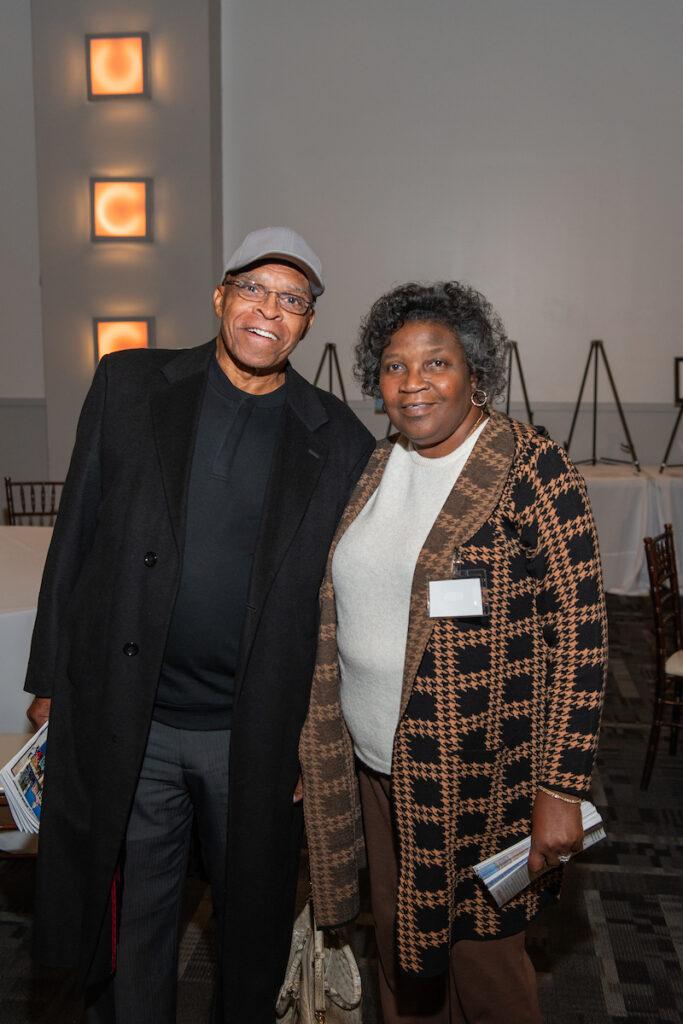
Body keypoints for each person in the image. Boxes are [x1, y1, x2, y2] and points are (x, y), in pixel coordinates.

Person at [24, 227, 375, 1024]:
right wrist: (48, 683)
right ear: (220, 297)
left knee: (248, 924)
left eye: (292, 300)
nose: (269, 310)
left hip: (251, 736)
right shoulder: (129, 385)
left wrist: (319, 739)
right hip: (132, 719)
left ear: (307, 323)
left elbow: (341, 609)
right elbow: (73, 536)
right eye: (253, 289)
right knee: (135, 915)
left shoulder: (340, 439)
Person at [300, 281, 607, 1023]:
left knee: (484, 963)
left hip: (483, 783)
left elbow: (582, 637)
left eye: (434, 363)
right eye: (394, 367)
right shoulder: (378, 466)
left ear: (473, 370)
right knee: (402, 955)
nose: (413, 384)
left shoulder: (532, 467)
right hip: (378, 769)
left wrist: (559, 789)